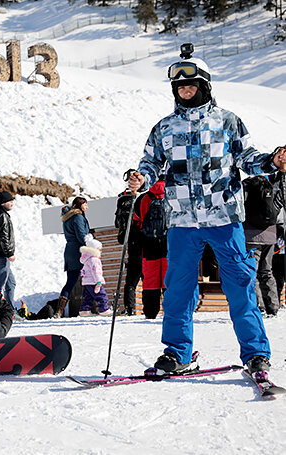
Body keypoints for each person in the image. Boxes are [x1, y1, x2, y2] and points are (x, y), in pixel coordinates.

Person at [127, 47, 286, 375]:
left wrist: (272, 161)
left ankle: (256, 353)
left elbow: (247, 157)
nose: (186, 90)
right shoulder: (164, 128)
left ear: (205, 87)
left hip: (224, 217)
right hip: (182, 221)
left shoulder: (227, 121)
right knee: (178, 290)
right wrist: (143, 176)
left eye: (192, 86)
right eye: (181, 87)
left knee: (240, 284)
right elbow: (151, 162)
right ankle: (177, 352)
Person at [242, 175, 281, 316]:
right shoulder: (271, 184)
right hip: (270, 234)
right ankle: (273, 307)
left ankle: (259, 306)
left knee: (252, 272)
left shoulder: (246, 185)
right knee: (267, 271)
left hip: (251, 235)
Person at [134, 178, 168, 319]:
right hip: (169, 243)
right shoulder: (173, 193)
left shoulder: (143, 198)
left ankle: (150, 312)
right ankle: (172, 310)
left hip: (148, 245)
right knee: (170, 278)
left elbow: (137, 221)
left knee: (150, 279)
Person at [55, 196, 90, 318]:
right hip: (78, 251)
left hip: (69, 251)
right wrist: (91, 246)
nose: (87, 207)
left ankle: (59, 311)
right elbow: (82, 236)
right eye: (85, 204)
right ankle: (88, 308)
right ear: (79, 205)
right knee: (90, 278)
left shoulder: (67, 218)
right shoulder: (78, 217)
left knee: (70, 281)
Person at [116, 190, 143, 316]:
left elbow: (120, 237)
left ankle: (129, 308)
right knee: (149, 281)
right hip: (146, 247)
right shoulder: (143, 201)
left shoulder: (122, 205)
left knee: (131, 282)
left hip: (132, 247)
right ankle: (149, 307)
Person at [78, 238, 111, 316]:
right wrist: (98, 281)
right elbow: (96, 272)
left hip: (87, 282)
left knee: (88, 297)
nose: (101, 251)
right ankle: (104, 309)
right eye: (100, 249)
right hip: (94, 282)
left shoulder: (87, 259)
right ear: (94, 250)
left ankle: (85, 310)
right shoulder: (94, 259)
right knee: (102, 296)